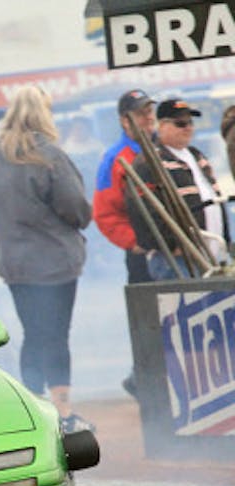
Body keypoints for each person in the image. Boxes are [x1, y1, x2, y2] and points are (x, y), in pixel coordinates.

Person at [0, 86, 94, 434]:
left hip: (15, 264)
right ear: (43, 113)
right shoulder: (48, 156)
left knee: (32, 334)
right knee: (57, 335)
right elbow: (77, 210)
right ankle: (63, 412)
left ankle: (32, 407)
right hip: (54, 263)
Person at [94, 88, 158, 396]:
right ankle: (141, 379)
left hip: (174, 249)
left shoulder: (163, 148)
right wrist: (135, 243)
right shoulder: (115, 159)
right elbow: (104, 214)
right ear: (125, 121)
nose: (148, 117)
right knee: (147, 320)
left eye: (150, 111)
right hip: (143, 254)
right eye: (141, 112)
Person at [130, 98, 230, 281]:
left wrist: (226, 240)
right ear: (162, 125)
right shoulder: (149, 161)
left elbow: (214, 199)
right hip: (178, 260)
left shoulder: (196, 155)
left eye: (190, 122)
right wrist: (171, 244)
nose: (188, 127)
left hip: (212, 256)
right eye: (180, 123)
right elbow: (142, 211)